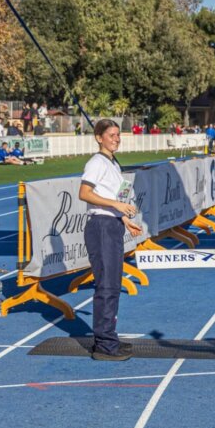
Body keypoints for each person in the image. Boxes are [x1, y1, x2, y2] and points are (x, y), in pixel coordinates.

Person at [77, 119, 142, 361]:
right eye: (111, 135)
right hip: (101, 227)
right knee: (107, 286)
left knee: (113, 284)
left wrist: (125, 219)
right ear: (99, 137)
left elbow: (109, 196)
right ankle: (104, 345)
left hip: (112, 225)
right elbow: (84, 193)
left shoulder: (111, 163)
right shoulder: (96, 162)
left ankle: (108, 337)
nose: (116, 139)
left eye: (118, 135)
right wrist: (117, 205)